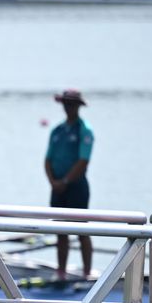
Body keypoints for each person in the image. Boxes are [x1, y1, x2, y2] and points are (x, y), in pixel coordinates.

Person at [44, 88, 94, 280]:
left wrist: (65, 181)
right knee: (60, 231)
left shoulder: (85, 130)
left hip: (76, 187)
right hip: (57, 187)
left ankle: (87, 272)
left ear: (78, 106)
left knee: (82, 230)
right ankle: (61, 271)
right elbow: (47, 160)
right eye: (66, 104)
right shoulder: (57, 130)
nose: (68, 107)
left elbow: (83, 160)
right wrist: (53, 182)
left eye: (71, 104)